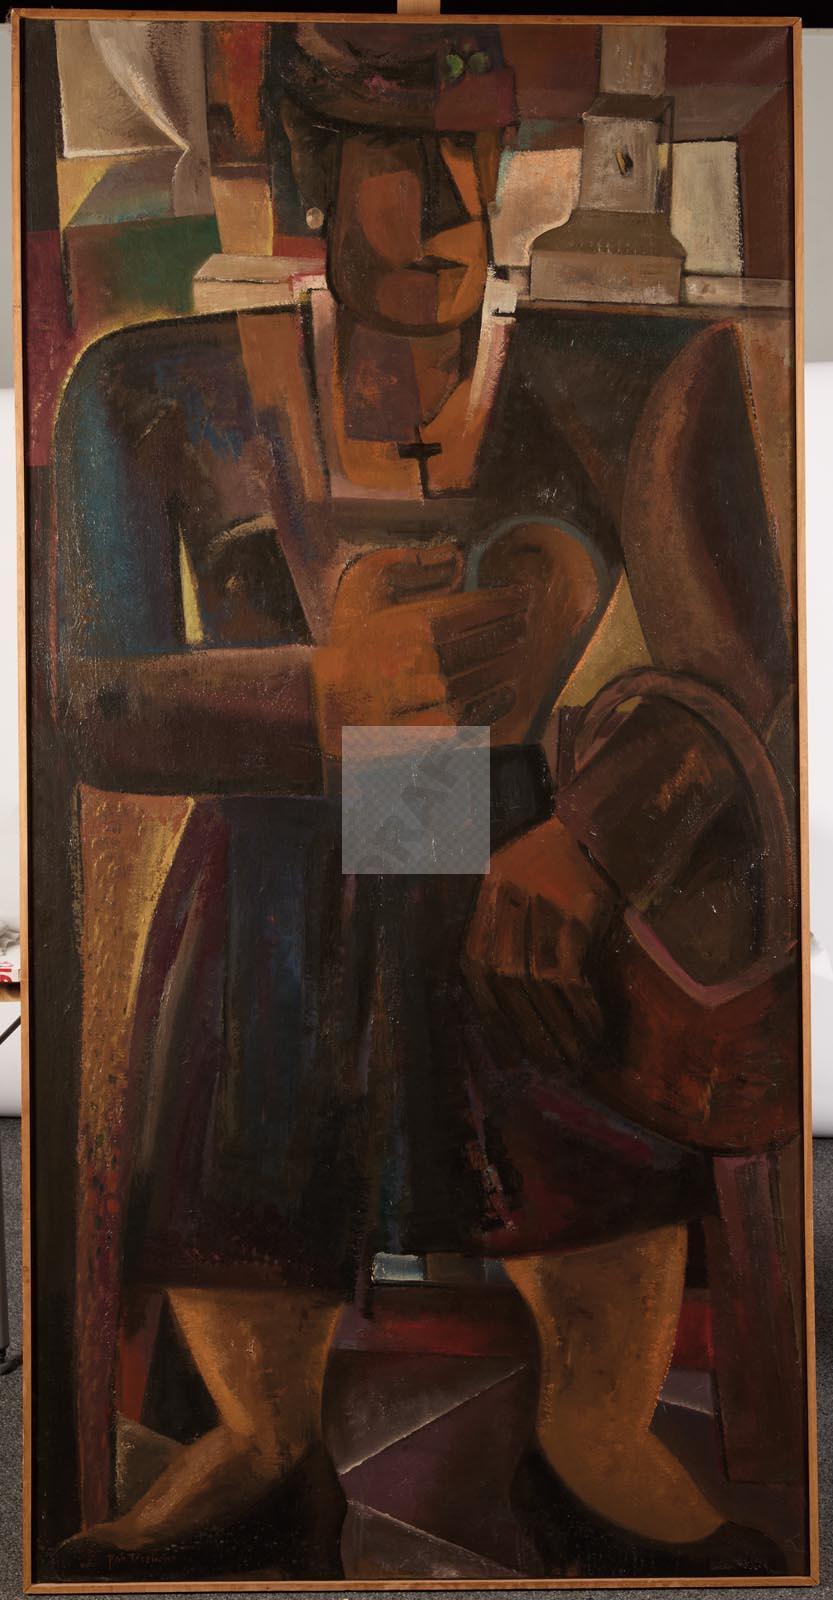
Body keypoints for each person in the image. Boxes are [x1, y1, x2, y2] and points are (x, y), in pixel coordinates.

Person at [55, 23, 793, 1581]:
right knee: (275, 881)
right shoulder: (149, 388)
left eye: (469, 151)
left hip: (524, 852)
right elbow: (85, 702)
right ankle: (260, 1437)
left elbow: (741, 671)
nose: (450, 205)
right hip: (283, 854)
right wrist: (320, 693)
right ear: (312, 174)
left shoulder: (624, 379)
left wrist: (590, 842)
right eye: (397, 158)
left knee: (509, 870)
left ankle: (592, 1428)